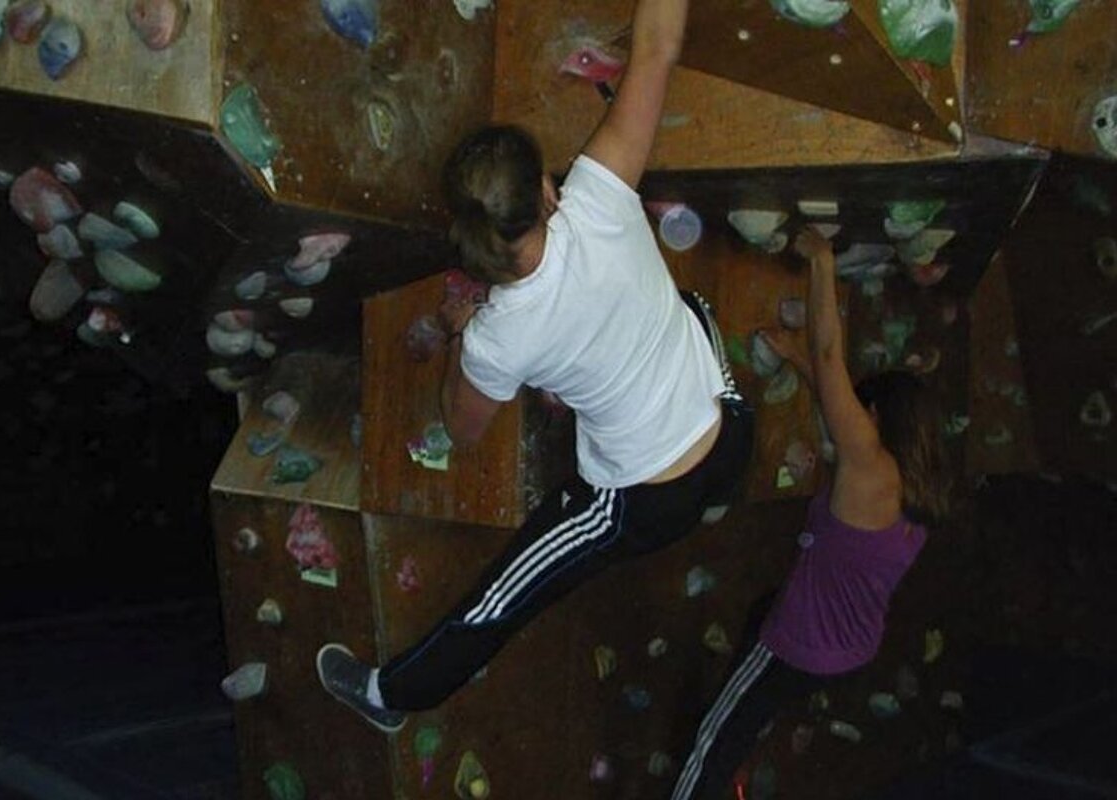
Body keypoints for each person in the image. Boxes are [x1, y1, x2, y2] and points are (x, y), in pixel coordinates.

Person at [317, 0, 755, 733]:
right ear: (548, 192)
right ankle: (395, 697)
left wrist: (461, 340)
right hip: (729, 423)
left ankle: (392, 698)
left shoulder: (497, 337)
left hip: (649, 499)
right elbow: (657, 45)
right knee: (690, 304)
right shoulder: (601, 194)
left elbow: (460, 429)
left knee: (503, 596)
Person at [669, 226, 953, 799]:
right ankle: (739, 730)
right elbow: (827, 391)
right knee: (758, 613)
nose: (849, 419)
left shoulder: (870, 465)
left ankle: (719, 757)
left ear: (876, 417)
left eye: (859, 411)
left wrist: (822, 261)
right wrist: (797, 358)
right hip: (849, 647)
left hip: (798, 644)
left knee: (709, 741)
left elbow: (831, 362)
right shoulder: (912, 486)